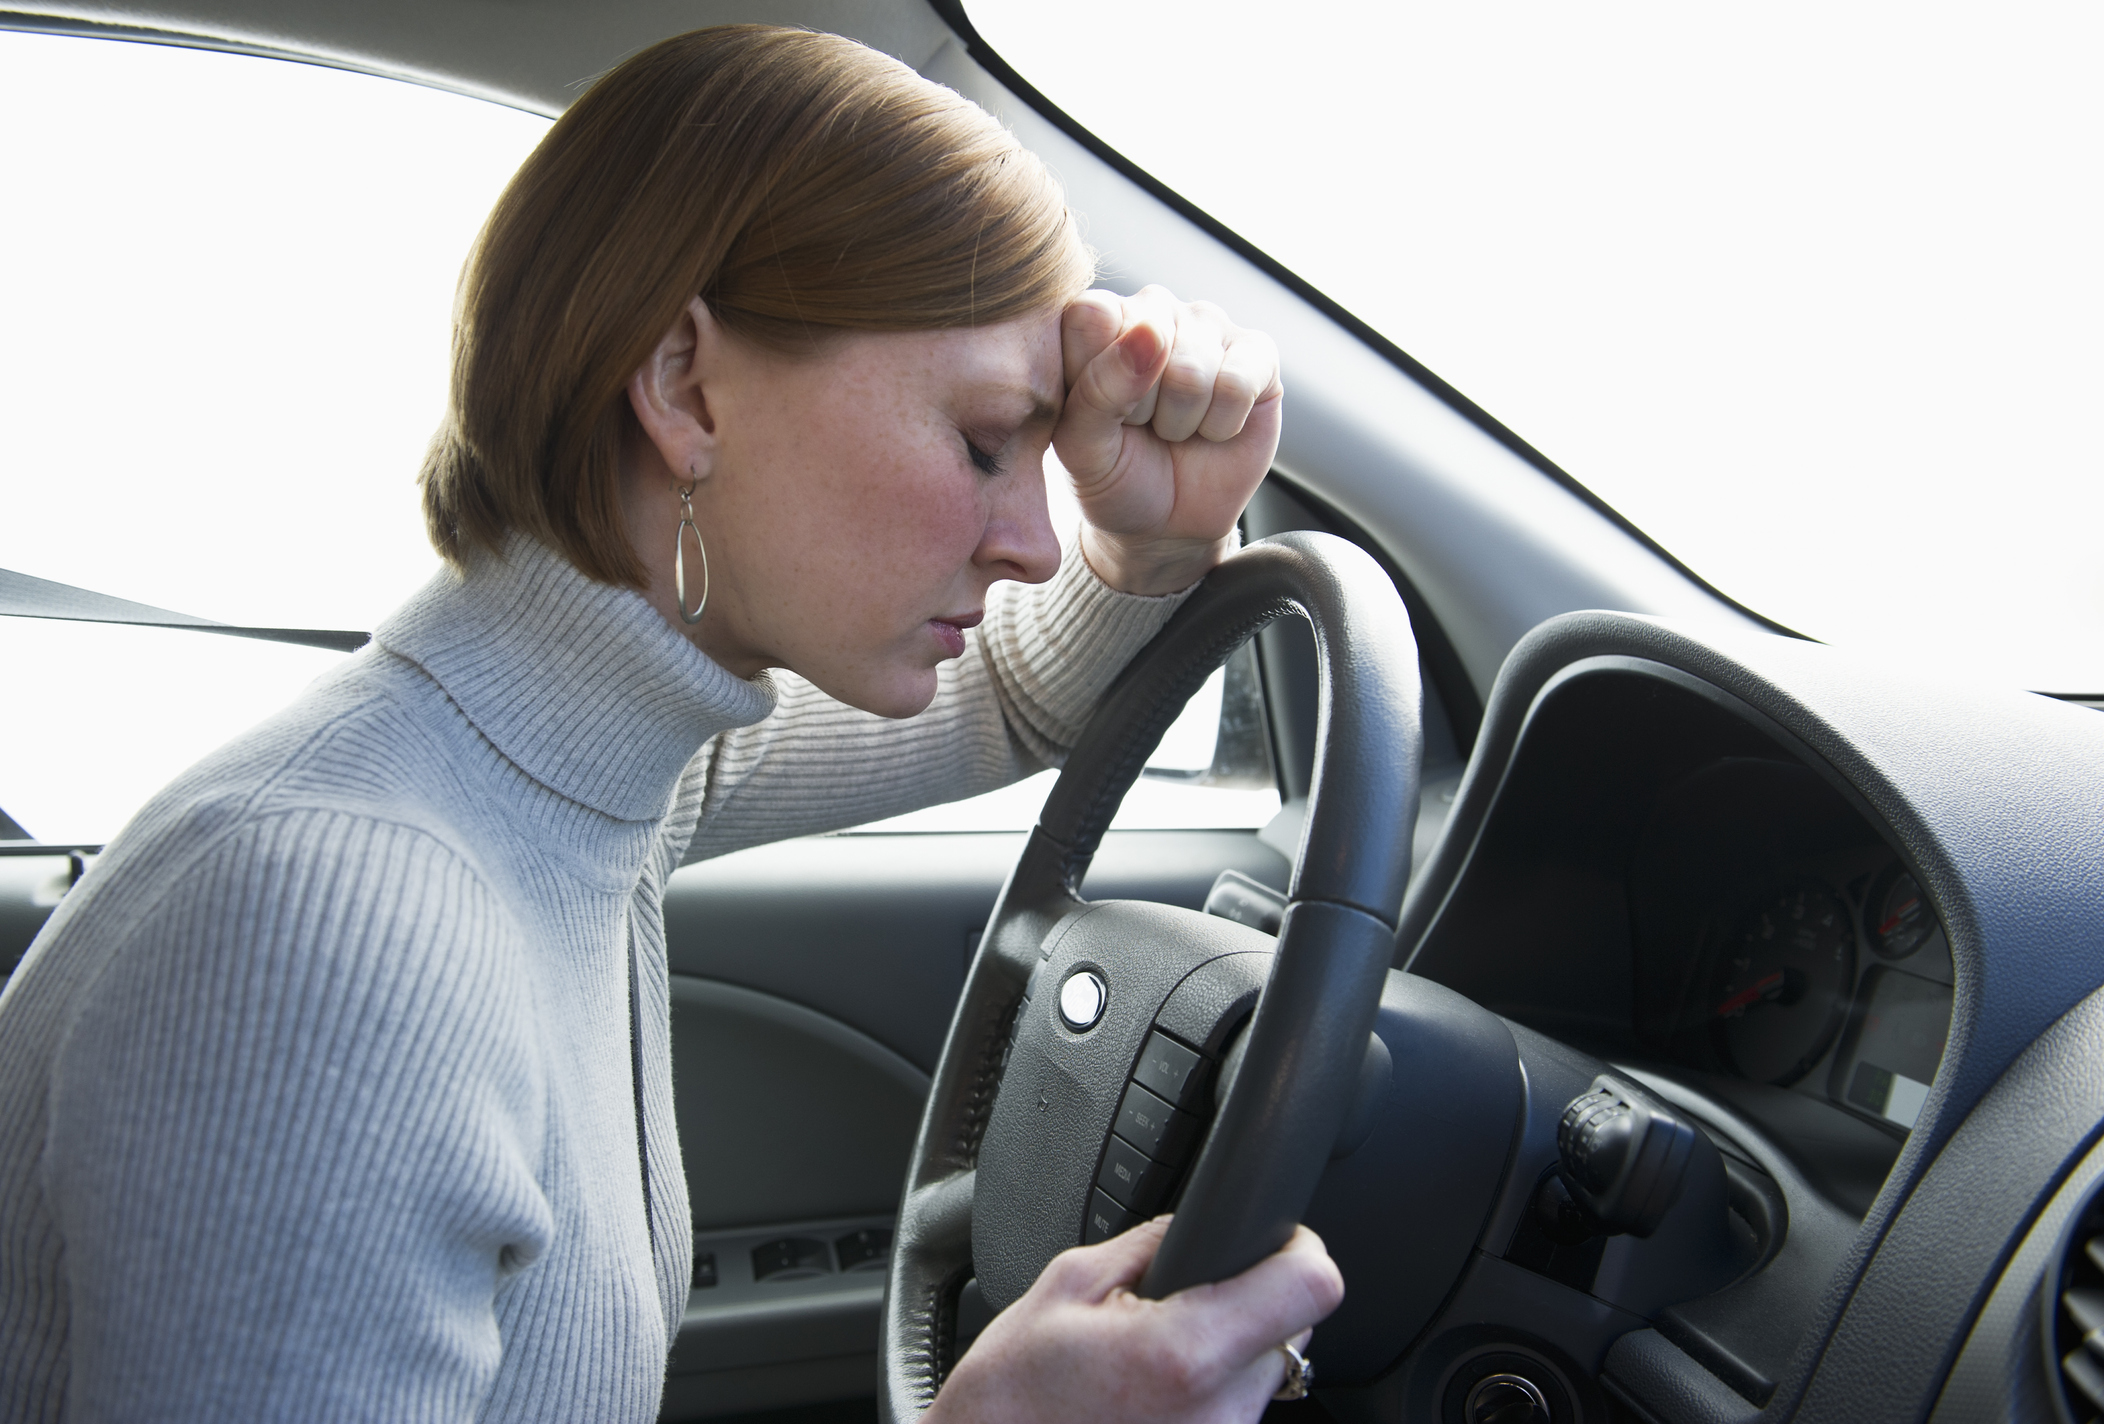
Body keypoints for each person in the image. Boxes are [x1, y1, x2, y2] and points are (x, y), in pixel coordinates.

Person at [0, 24, 1341, 1423]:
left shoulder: (598, 763)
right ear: (685, 385)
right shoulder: (335, 927)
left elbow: (1015, 695)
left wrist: (1154, 541)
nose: (1032, 545)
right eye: (984, 443)